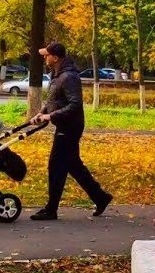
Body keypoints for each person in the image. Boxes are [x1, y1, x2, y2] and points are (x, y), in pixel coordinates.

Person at [27, 41, 113, 220]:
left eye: (46, 55)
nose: (44, 58)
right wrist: (41, 113)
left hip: (70, 126)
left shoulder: (69, 77)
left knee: (55, 165)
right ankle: (101, 197)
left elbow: (75, 104)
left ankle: (51, 209)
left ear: (55, 57)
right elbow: (53, 100)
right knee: (73, 165)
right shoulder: (57, 75)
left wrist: (51, 117)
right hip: (64, 124)